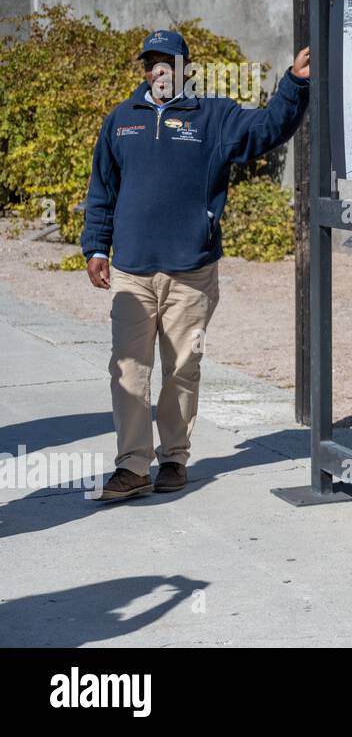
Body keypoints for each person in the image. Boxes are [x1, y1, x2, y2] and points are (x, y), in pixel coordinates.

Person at [81, 30, 311, 501]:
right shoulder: (121, 120)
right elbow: (102, 189)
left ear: (187, 66)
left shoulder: (215, 117)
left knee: (182, 368)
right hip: (132, 271)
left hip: (191, 271)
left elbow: (268, 128)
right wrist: (96, 248)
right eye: (152, 63)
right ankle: (131, 466)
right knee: (127, 368)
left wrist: (294, 84)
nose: (158, 71)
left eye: (168, 62)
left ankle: (174, 458)